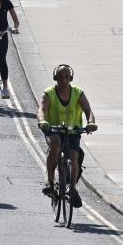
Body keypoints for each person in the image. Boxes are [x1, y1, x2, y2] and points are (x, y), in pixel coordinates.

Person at [38, 64, 97, 206]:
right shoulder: (48, 93)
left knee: (74, 158)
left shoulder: (78, 93)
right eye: (60, 77)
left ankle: (72, 188)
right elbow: (41, 109)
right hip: (53, 130)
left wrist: (91, 123)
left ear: (71, 78)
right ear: (55, 78)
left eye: (66, 77)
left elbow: (89, 111)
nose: (63, 80)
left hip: (72, 131)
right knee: (56, 146)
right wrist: (43, 121)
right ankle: (50, 181)